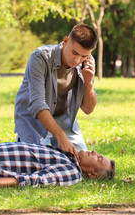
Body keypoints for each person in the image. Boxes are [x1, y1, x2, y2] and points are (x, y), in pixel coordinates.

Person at [14, 23, 98, 160]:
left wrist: (88, 82)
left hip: (63, 118)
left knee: (82, 162)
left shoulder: (87, 62)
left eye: (84, 56)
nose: (77, 60)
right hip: (34, 118)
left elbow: (88, 109)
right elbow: (37, 104)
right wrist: (61, 137)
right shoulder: (40, 57)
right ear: (65, 41)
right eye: (74, 53)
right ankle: (24, 142)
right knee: (38, 162)